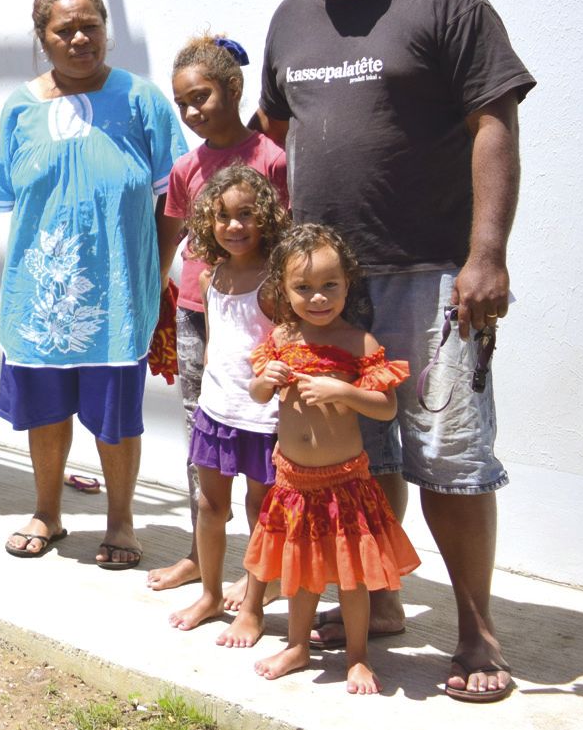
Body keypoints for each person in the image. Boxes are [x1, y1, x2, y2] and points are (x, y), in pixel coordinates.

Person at [257, 0, 533, 703]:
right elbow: (276, 138)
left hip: (432, 272)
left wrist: (486, 254)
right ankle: (375, 598)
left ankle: (475, 629)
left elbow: (496, 119)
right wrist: (272, 270)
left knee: (448, 455)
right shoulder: (290, 17)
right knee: (356, 453)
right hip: (329, 287)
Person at [0, 0, 186, 569]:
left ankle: (121, 521)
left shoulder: (140, 99)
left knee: (115, 415)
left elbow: (174, 198)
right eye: (64, 29)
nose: (80, 38)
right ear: (42, 37)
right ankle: (48, 512)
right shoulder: (20, 108)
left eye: (90, 27)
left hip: (120, 290)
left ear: (105, 28)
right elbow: (16, 199)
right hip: (40, 293)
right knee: (46, 411)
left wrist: (156, 269)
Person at [244, 224, 420, 696]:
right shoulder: (281, 338)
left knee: (351, 576)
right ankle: (297, 645)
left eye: (329, 286)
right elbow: (257, 392)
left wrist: (343, 390)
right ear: (284, 288)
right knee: (300, 574)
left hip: (344, 482)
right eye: (303, 288)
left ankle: (358, 658)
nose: (317, 298)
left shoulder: (357, 342)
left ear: (347, 284)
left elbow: (386, 407)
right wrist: (267, 379)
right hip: (294, 483)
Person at [145, 35, 289, 596]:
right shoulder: (186, 167)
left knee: (262, 441)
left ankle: (264, 569)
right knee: (201, 435)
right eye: (182, 103)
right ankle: (199, 556)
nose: (190, 111)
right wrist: (160, 286)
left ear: (234, 90)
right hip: (197, 316)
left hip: (259, 320)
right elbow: (173, 232)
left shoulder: (271, 160)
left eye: (200, 97)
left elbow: (286, 239)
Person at [168, 164, 286, 646]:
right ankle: (211, 593)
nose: (234, 226)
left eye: (245, 214)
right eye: (222, 216)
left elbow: (281, 348)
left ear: (266, 218)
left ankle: (255, 605)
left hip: (263, 418)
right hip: (217, 414)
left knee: (262, 512)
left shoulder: (275, 280)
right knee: (210, 505)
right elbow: (217, 344)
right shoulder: (213, 275)